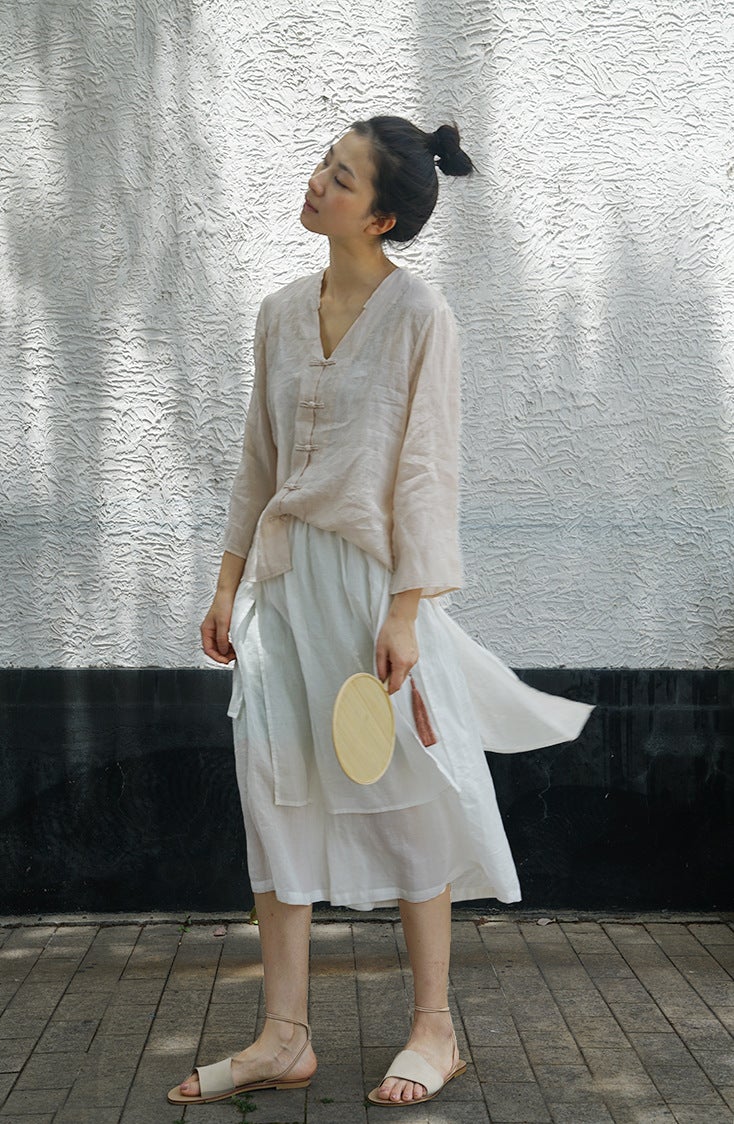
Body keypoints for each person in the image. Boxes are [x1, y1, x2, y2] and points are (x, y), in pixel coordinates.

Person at [167, 115, 593, 1109]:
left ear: (381, 217)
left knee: (405, 792)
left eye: (343, 176)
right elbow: (258, 460)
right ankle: (284, 1035)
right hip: (281, 589)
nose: (318, 180)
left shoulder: (420, 316)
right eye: (326, 162)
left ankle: (435, 1027)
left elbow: (428, 470)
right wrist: (226, 586)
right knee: (273, 792)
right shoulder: (278, 312)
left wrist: (406, 611)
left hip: (368, 594)